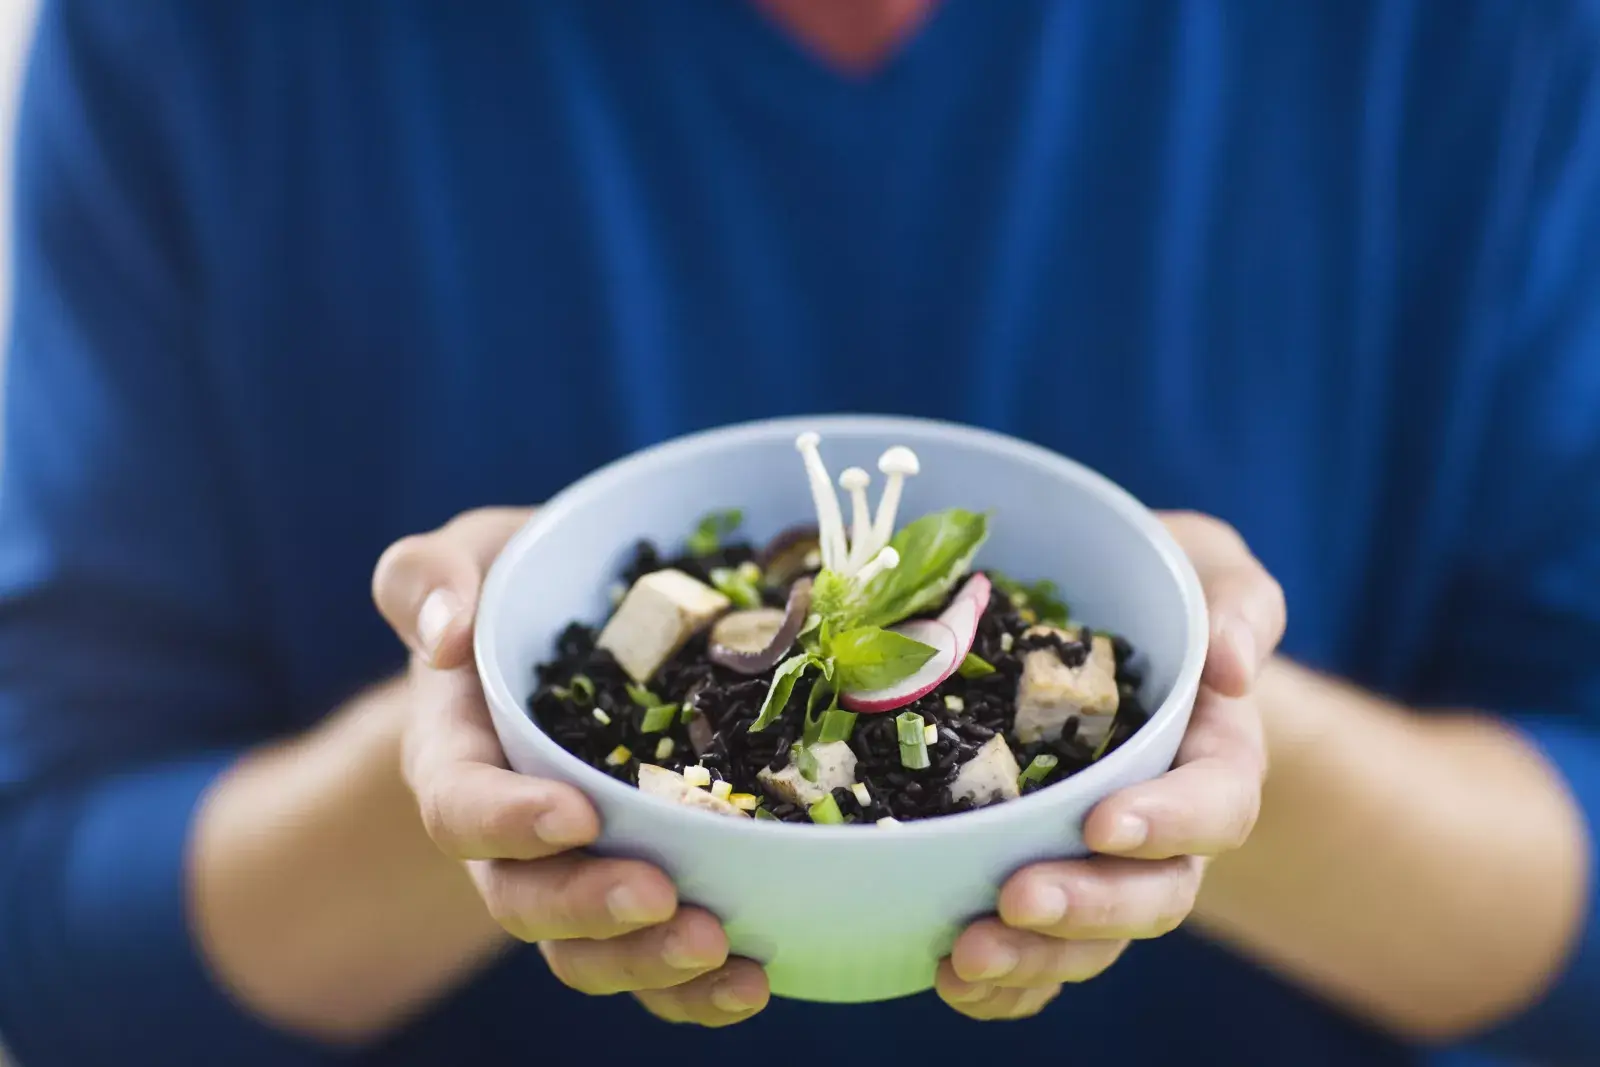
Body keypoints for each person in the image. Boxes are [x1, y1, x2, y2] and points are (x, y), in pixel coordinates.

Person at [0, 2, 1594, 1065]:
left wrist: (1199, 738)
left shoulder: (1487, 40)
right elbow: (53, 926)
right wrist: (491, 769)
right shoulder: (196, 43)